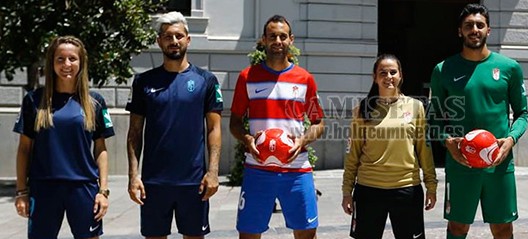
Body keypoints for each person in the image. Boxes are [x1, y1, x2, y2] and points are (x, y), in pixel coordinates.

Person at [428, 3, 528, 239]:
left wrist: (511, 140)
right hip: (461, 164)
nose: (474, 29)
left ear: (488, 30)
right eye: (469, 26)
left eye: (479, 25)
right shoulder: (443, 69)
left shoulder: (509, 68)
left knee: (503, 228)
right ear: (460, 31)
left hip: (499, 164)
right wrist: (447, 141)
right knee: (457, 228)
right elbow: (433, 117)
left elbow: (523, 115)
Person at [126, 11, 223, 239]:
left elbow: (214, 129)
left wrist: (213, 172)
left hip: (194, 182)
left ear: (188, 39)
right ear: (159, 41)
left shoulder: (206, 80)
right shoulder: (143, 82)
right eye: (168, 36)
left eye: (179, 36)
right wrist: (133, 175)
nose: (174, 41)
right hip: (154, 182)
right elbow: (134, 132)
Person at [229, 14, 325, 239]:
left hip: (297, 169)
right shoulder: (247, 77)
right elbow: (234, 123)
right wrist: (247, 139)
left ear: (291, 40)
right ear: (263, 40)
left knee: (307, 234)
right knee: (249, 233)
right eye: (272, 36)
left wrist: (302, 141)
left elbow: (319, 123)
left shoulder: (304, 79)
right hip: (257, 168)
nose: (277, 41)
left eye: (283, 36)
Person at [13, 35, 115, 239]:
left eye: (72, 59)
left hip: (83, 187)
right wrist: (22, 192)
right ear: (52, 62)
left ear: (81, 63)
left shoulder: (94, 101)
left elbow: (100, 149)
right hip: (44, 188)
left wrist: (102, 191)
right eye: (60, 59)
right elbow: (24, 149)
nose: (66, 64)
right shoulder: (34, 100)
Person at [341, 54, 438, 239]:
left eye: (393, 72)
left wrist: (431, 186)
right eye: (382, 72)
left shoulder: (416, 107)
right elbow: (353, 153)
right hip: (369, 190)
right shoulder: (363, 109)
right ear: (375, 77)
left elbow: (424, 150)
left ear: (400, 75)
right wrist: (347, 191)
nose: (388, 77)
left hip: (406, 189)